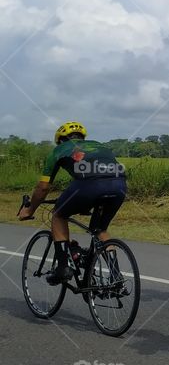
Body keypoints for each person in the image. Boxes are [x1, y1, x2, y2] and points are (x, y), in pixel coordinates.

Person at [17, 121, 127, 284]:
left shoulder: (59, 150)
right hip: (119, 185)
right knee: (100, 230)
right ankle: (116, 275)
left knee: (58, 214)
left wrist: (30, 210)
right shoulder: (99, 145)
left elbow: (43, 188)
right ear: (82, 137)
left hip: (88, 186)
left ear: (61, 140)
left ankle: (63, 268)